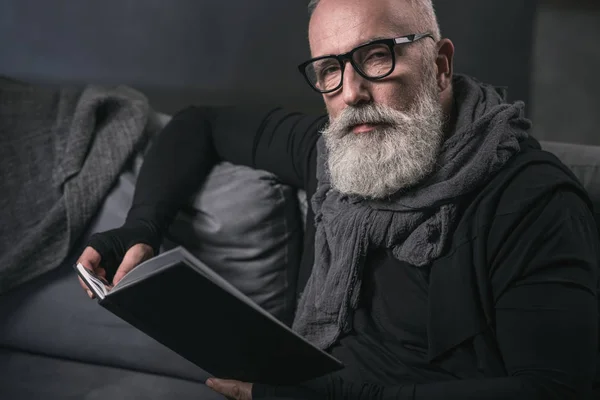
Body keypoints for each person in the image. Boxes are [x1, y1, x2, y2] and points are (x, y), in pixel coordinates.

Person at [77, 0, 600, 398]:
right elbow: (199, 124)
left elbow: (559, 388)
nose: (351, 93)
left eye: (376, 57)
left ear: (440, 66)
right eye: (330, 69)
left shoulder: (532, 199)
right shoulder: (336, 152)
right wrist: (141, 229)